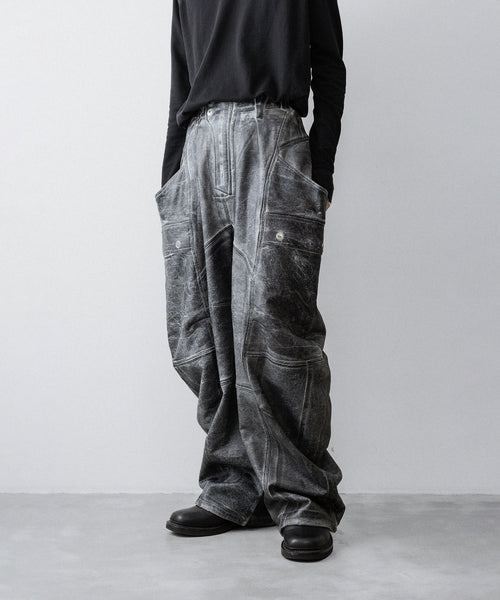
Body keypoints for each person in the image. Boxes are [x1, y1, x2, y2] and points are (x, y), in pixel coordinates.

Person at [155, 0, 347, 562]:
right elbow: (181, 74)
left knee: (275, 329)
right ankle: (235, 488)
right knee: (198, 333)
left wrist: (321, 168)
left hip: (274, 137)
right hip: (198, 142)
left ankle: (303, 500)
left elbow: (329, 65)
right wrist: (170, 175)